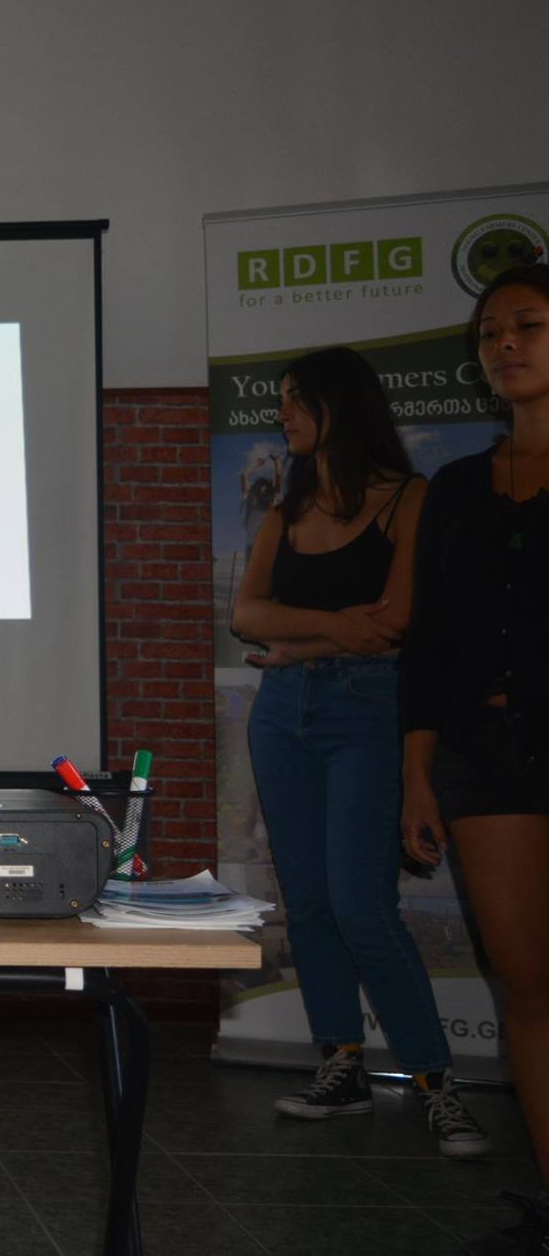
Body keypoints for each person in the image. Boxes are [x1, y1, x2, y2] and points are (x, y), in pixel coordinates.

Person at [230, 346, 488, 1159]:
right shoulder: (286, 511)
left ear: (340, 404)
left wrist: (302, 641)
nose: (282, 414)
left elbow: (399, 619)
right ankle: (340, 1065)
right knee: (307, 903)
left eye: (295, 399)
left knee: (361, 906)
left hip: (370, 711)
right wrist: (338, 628)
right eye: (279, 400)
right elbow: (246, 616)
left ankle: (437, 1083)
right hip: (282, 715)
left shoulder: (409, 497)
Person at [401, 265, 549, 1247]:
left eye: (527, 324)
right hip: (484, 753)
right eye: (490, 332)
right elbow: (428, 646)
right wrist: (416, 773)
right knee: (527, 986)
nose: (504, 344)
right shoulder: (456, 488)